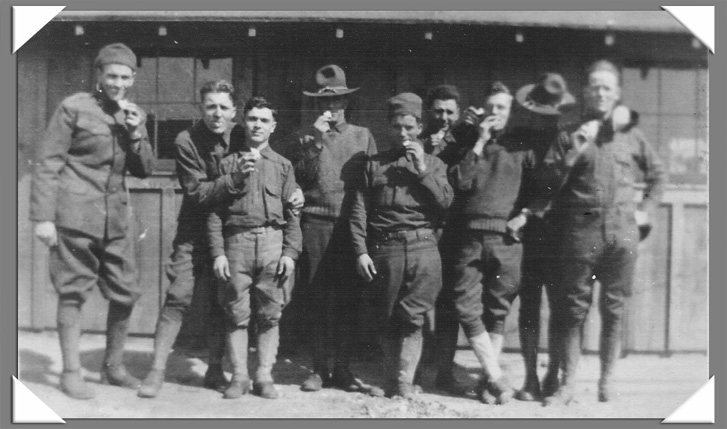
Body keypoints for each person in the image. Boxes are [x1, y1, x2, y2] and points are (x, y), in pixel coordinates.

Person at [138, 80, 305, 398]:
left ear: (234, 113)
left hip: (235, 233)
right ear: (202, 108)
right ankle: (157, 370)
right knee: (178, 296)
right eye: (211, 106)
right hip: (195, 228)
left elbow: (276, 160)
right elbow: (199, 193)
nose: (217, 114)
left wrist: (294, 192)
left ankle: (216, 368)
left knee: (226, 302)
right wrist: (236, 177)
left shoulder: (245, 134)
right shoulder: (187, 140)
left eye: (224, 107)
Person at [30, 43, 154, 399]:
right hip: (74, 215)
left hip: (115, 218)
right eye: (111, 75)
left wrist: (135, 132)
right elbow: (48, 163)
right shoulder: (74, 108)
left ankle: (113, 367)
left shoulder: (132, 114)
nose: (117, 83)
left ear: (132, 79)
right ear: (99, 75)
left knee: (127, 292)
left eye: (124, 77)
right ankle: (70, 372)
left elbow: (144, 169)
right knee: (73, 292)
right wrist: (42, 218)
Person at [541, 60, 665, 406]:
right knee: (571, 311)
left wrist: (645, 210)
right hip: (580, 234)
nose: (600, 92)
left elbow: (658, 175)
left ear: (617, 94)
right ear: (584, 92)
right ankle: (567, 386)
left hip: (622, 235)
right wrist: (576, 151)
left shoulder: (631, 136)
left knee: (614, 310)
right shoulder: (569, 134)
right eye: (594, 86)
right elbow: (547, 185)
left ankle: (607, 382)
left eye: (607, 87)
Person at [444, 81, 548, 405]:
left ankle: (489, 385)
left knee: (498, 310)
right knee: (465, 304)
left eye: (501, 108)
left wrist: (526, 215)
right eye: (490, 108)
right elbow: (459, 182)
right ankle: (496, 375)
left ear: (511, 112)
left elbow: (545, 188)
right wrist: (479, 140)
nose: (494, 113)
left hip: (506, 238)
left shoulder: (522, 147)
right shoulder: (470, 144)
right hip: (469, 237)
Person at [282, 65, 377, 393]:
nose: (332, 108)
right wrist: (315, 141)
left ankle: (344, 369)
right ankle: (319, 369)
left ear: (347, 103)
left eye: (337, 102)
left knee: (349, 301)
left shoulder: (362, 136)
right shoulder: (305, 136)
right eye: (326, 102)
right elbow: (298, 180)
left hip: (350, 226)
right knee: (317, 300)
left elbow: (373, 184)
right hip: (315, 225)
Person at [350, 93, 453, 398]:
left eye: (409, 127)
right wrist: (361, 251)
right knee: (386, 316)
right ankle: (389, 379)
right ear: (389, 127)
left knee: (413, 317)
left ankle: (404, 382)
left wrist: (422, 169)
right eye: (397, 127)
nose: (403, 134)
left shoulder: (434, 163)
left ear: (420, 127)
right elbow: (358, 212)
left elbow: (446, 203)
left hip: (422, 249)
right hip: (385, 250)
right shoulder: (373, 165)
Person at [207, 97, 302, 400]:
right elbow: (213, 213)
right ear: (243, 122)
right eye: (252, 119)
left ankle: (264, 375)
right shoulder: (226, 164)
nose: (257, 125)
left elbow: (293, 215)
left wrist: (290, 253)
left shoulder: (283, 166)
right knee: (236, 314)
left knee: (270, 314)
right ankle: (239, 375)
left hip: (273, 244)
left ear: (273, 127)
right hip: (237, 245)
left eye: (263, 120)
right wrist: (218, 252)